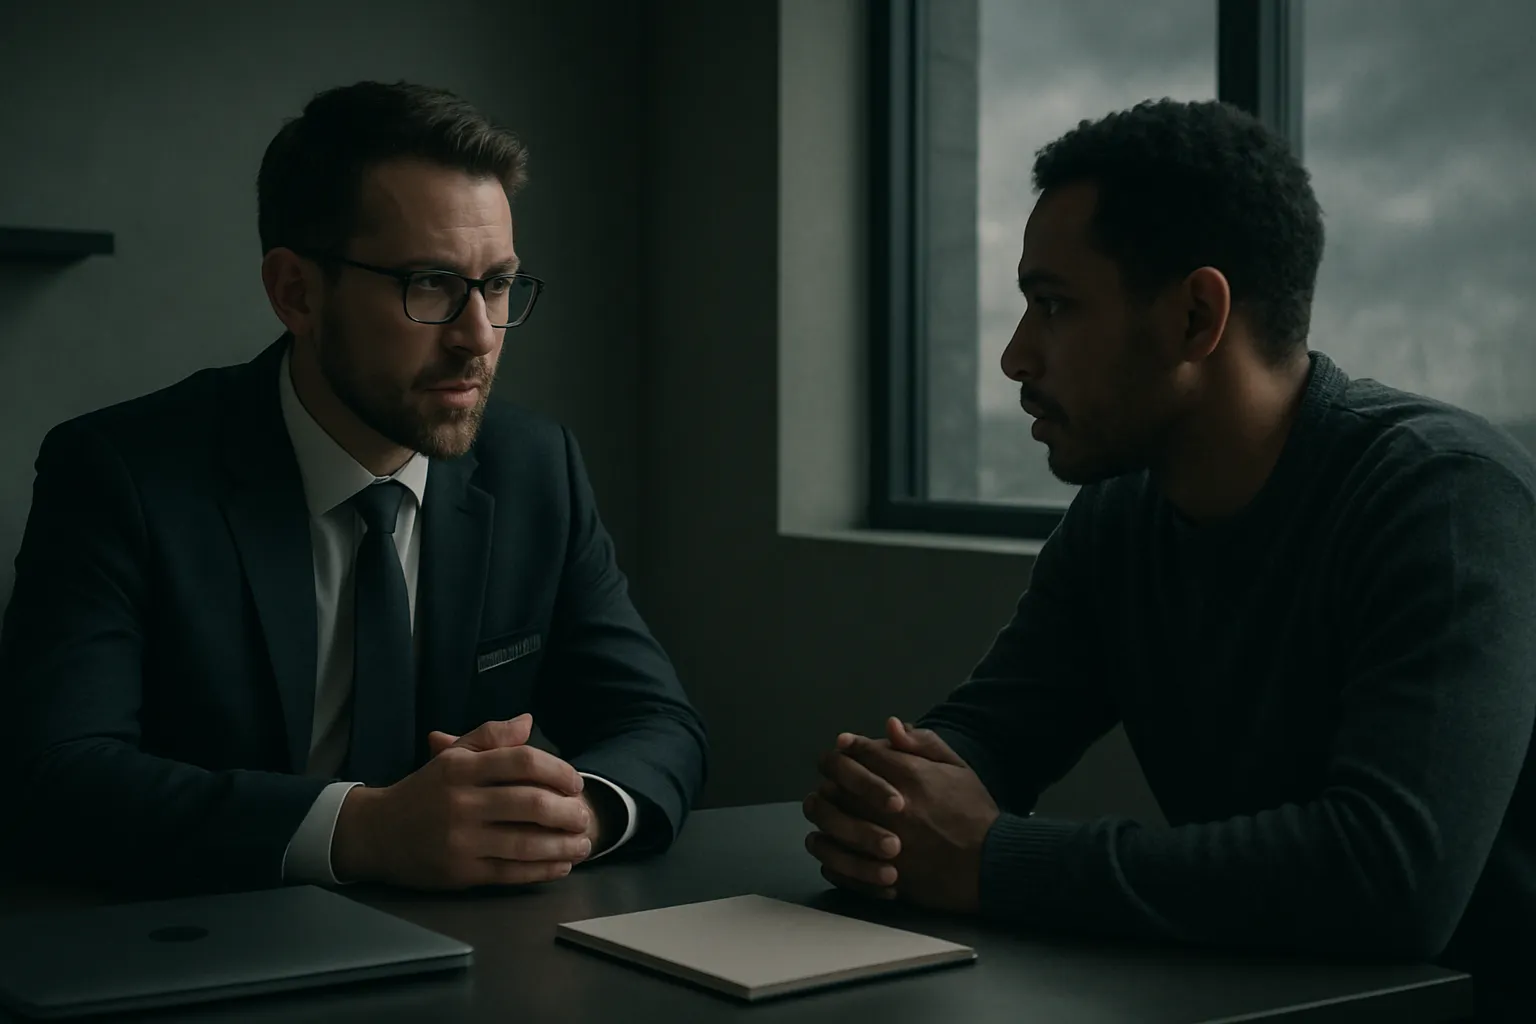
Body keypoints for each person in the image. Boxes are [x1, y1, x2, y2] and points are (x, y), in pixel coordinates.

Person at [803, 98, 1536, 1021]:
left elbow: (1391, 877)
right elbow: (999, 730)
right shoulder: (1122, 514)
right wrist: (892, 796)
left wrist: (992, 859)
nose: (1015, 356)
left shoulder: (1445, 497)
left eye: (1054, 305)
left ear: (1196, 317)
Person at [0, 80, 707, 897]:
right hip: (202, 937)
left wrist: (577, 813)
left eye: (498, 284)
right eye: (431, 284)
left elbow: (656, 722)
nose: (479, 337)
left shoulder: (534, 468)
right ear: (296, 292)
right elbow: (54, 778)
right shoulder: (120, 473)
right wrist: (363, 831)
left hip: (471, 936)